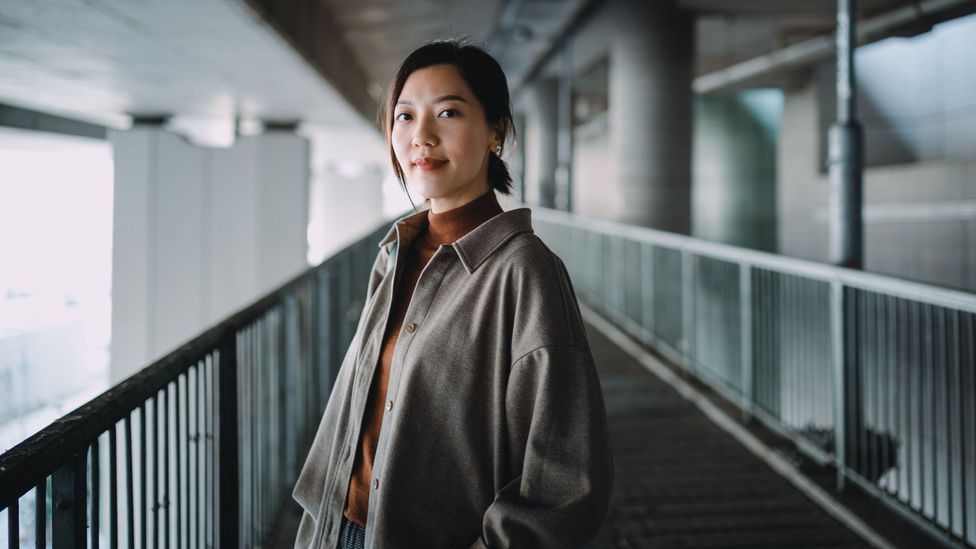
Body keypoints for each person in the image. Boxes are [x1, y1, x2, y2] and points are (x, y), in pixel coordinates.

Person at [292, 39, 612, 549]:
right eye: (404, 116)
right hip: (338, 531)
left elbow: (564, 482)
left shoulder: (525, 272)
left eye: (448, 112)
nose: (421, 135)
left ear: (495, 132)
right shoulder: (396, 253)